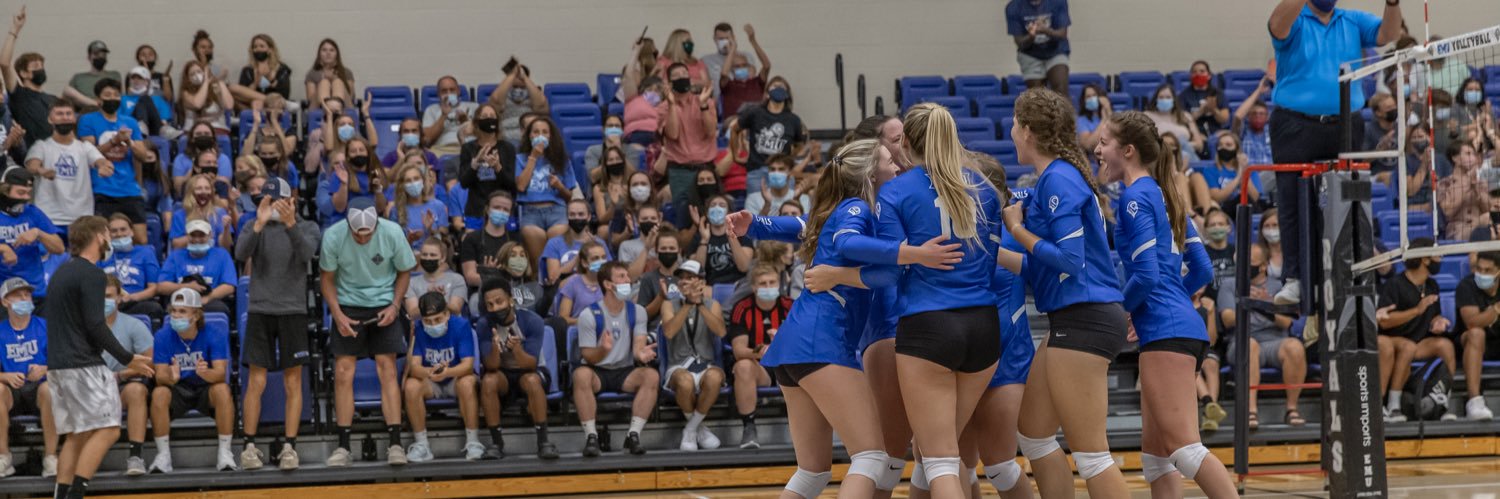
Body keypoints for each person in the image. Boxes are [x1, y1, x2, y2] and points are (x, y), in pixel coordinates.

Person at [1096, 111, 1235, 497]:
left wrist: (1125, 310)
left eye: (1104, 143)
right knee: (1156, 457)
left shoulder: (1136, 197)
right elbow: (1202, 270)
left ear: (1127, 150)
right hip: (1178, 325)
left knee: (1185, 449)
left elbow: (1147, 275)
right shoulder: (1164, 193)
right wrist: (1164, 301)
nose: (1097, 149)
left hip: (1166, 331)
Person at [1002, 89, 1130, 497]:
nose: (1010, 132)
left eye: (1014, 124)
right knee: (1034, 434)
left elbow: (1070, 260)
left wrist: (1018, 230)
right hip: (1074, 316)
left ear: (1027, 130)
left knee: (1092, 455)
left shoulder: (1058, 177)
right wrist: (991, 252)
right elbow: (1043, 266)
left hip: (1085, 318)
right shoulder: (1053, 178)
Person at [1267, 0, 1402, 307]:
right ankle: (1295, 278)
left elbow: (1387, 35)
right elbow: (1276, 25)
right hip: (1294, 123)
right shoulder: (1296, 19)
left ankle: (1348, 272)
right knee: (1291, 201)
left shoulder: (1351, 20)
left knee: (1348, 199)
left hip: (1345, 122)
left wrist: (1393, 3)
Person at [43, 215, 154, 498]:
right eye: (108, 233)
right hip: (83, 365)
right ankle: (77, 493)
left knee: (77, 435)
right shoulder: (92, 274)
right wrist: (127, 357)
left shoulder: (60, 274)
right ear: (99, 236)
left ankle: (62, 495)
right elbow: (95, 325)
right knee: (109, 429)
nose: (110, 240)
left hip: (57, 367)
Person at [319, 197, 416, 467]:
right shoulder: (333, 236)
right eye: (357, 234)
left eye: (368, 234)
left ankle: (395, 443)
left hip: (384, 303)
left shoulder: (393, 232)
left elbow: (405, 272)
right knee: (343, 372)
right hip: (348, 304)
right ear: (348, 225)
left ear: (375, 226)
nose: (362, 239)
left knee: (387, 368)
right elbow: (326, 280)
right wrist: (337, 314)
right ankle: (343, 446)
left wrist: (395, 306)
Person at [234, 179, 316, 470]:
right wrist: (258, 224)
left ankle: (290, 448)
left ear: (290, 199)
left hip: (293, 309)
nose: (272, 205)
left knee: (293, 381)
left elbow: (307, 255)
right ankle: (249, 446)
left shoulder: (307, 226)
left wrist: (291, 224)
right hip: (260, 309)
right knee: (256, 381)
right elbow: (241, 254)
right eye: (266, 200)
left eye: (277, 200)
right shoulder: (253, 224)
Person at [572, 262, 657, 457]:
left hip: (624, 371)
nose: (628, 280)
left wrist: (640, 354)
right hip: (597, 370)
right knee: (580, 376)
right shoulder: (589, 315)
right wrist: (603, 349)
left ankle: (633, 435)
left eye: (628, 276)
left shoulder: (638, 312)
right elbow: (588, 356)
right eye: (622, 277)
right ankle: (591, 437)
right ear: (608, 284)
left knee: (651, 376)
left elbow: (638, 346)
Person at [148, 288, 236, 473]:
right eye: (173, 311)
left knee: (222, 391)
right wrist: (172, 378)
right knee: (159, 393)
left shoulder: (214, 333)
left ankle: (225, 453)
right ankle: (163, 456)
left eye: (182, 311)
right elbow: (160, 376)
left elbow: (220, 374)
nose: (175, 315)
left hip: (205, 387)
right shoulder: (163, 336)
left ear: (196, 315)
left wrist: (206, 374)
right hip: (178, 389)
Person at [475, 277, 557, 460]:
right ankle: (497, 443)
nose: (495, 308)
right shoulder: (484, 325)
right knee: (488, 380)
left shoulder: (532, 320)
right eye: (490, 305)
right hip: (503, 374)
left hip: (530, 371)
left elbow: (531, 364)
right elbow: (491, 366)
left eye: (499, 302)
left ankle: (543, 441)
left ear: (511, 300)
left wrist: (517, 350)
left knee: (531, 380)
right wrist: (496, 348)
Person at [1377, 238, 1456, 423]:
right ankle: (1393, 405)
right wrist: (1416, 311)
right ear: (1425, 259)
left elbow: (1433, 314)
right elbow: (1384, 322)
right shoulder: (1395, 285)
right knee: (1407, 346)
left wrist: (1438, 321)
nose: (1440, 258)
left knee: (1446, 346)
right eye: (1437, 255)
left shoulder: (1431, 285)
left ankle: (1442, 401)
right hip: (1392, 339)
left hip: (1418, 341)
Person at [403, 292, 482, 462]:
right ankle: (422, 445)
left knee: (468, 383)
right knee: (411, 385)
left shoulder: (461, 325)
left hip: (455, 377)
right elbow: (414, 368)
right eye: (428, 321)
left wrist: (447, 372)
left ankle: (473, 442)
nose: (433, 325)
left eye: (438, 319)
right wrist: (429, 373)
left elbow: (468, 366)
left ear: (447, 313)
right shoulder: (417, 328)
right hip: (431, 380)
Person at [660, 260, 727, 451]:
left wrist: (700, 305)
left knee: (714, 377)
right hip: (678, 365)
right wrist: (688, 305)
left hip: (706, 363)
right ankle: (699, 429)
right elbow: (669, 332)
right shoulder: (668, 304)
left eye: (689, 278)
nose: (684, 282)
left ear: (701, 282)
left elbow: (721, 332)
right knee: (685, 381)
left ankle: (690, 429)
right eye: (681, 278)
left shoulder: (712, 304)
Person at [78, 78, 150, 245]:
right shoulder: (88, 120)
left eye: (117, 95)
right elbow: (88, 152)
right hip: (102, 189)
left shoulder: (130, 122)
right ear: (98, 100)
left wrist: (130, 142)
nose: (113, 98)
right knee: (102, 240)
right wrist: (114, 141)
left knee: (140, 238)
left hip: (129, 189)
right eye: (108, 95)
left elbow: (143, 156)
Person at [725, 264, 788, 449]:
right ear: (754, 287)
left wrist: (782, 342)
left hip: (789, 365)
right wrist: (763, 350)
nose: (768, 287)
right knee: (743, 366)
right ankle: (749, 426)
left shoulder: (791, 306)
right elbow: (738, 350)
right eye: (763, 283)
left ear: (779, 284)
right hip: (760, 368)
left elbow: (806, 342)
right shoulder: (742, 308)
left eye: (772, 282)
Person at [25, 101, 114, 229]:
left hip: (81, 218)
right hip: (48, 217)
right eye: (60, 114)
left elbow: (100, 160)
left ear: (74, 118)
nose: (65, 117)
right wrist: (41, 170)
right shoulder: (42, 146)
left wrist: (104, 167)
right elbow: (32, 165)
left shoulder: (85, 147)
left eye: (68, 114)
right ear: (50, 119)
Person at [0, 277, 56, 478]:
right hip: (11, 392)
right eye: (18, 295)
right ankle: (3, 457)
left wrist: (44, 369)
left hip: (39, 390)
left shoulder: (47, 326)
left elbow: (67, 364)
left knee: (49, 389)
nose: (25, 298)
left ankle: (51, 458)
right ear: (5, 301)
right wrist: (4, 376)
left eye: (27, 294)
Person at [100, 276, 152, 476]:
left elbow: (149, 363)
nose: (103, 301)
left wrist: (120, 375)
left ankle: (136, 456)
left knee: (137, 391)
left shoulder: (134, 325)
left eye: (108, 296)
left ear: (120, 297)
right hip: (90, 386)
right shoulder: (82, 327)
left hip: (121, 385)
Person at [661, 63, 720, 228]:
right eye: (677, 76)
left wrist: (702, 104)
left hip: (706, 168)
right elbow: (672, 134)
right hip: (680, 171)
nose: (682, 78)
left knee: (713, 210)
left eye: (684, 74)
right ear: (669, 82)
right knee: (683, 213)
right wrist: (672, 105)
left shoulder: (705, 101)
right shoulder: (663, 107)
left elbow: (710, 131)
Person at [516, 116, 578, 263]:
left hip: (556, 211)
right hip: (530, 213)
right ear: (529, 135)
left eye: (545, 132)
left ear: (551, 136)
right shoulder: (519, 159)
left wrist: (559, 186)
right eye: (536, 132)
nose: (540, 136)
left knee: (555, 260)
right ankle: (538, 283)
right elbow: (521, 186)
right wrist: (533, 157)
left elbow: (569, 196)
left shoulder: (562, 160)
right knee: (538, 263)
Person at [0, 168, 63, 305]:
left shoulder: (33, 213)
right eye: (20, 193)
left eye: (28, 193)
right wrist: (3, 248)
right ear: (5, 191)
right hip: (4, 292)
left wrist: (39, 233)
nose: (25, 198)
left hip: (35, 291)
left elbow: (59, 248)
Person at [735, 77, 806, 194]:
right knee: (756, 207)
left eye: (781, 87)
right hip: (757, 171)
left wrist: (789, 157)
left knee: (785, 208)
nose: (778, 89)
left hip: (783, 172)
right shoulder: (754, 113)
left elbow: (799, 144)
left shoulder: (794, 120)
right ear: (767, 93)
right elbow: (735, 129)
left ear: (787, 94)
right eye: (774, 86)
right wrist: (735, 154)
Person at [457, 103, 519, 231]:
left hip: (502, 208)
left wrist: (498, 167)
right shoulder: (468, 148)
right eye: (484, 116)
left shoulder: (507, 148)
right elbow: (464, 182)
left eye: (492, 116)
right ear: (476, 122)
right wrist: (476, 163)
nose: (489, 119)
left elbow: (512, 185)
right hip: (476, 208)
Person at [1, 7, 57, 147]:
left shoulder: (53, 99)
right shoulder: (19, 94)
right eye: (36, 65)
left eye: (42, 65)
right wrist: (15, 30)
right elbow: (4, 63)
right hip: (30, 155)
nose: (40, 69)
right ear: (23, 73)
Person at [156, 220, 237, 314]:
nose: (197, 239)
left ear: (210, 235)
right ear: (187, 235)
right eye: (193, 235)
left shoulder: (222, 255)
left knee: (219, 309)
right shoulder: (176, 256)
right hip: (181, 301)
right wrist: (186, 286)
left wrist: (208, 297)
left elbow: (229, 286)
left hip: (211, 301)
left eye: (201, 235)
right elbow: (161, 287)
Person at [1455, 251, 1500, 421]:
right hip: (1468, 344)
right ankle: (1474, 401)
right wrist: (1495, 310)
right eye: (1479, 269)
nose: (1481, 274)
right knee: (1476, 334)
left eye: (1487, 270)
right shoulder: (1466, 286)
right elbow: (1472, 323)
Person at [99, 214, 161, 322]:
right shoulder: (102, 255)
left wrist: (132, 297)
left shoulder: (145, 253)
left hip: (135, 302)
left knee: (155, 308)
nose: (119, 234)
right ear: (108, 234)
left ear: (132, 231)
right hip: (108, 303)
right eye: (114, 231)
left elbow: (153, 288)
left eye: (123, 229)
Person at [1005, 0, 1071, 93]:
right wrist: (1031, 36)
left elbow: (1062, 34)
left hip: (1056, 50)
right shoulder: (1013, 7)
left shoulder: (1058, 2)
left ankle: (1064, 107)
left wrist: (1046, 30)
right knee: (1037, 96)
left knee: (1061, 88)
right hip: (1029, 53)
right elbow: (1020, 43)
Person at [459, 191, 522, 287]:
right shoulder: (471, 238)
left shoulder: (515, 239)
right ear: (487, 209)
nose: (501, 211)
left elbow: (520, 272)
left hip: (511, 290)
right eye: (496, 207)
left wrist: (490, 274)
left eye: (506, 209)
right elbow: (470, 278)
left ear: (510, 214)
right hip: (481, 291)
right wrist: (495, 274)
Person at [542, 199, 610, 288]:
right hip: (565, 289)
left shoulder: (599, 243)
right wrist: (581, 253)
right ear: (567, 217)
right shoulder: (554, 243)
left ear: (589, 217)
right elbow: (553, 277)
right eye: (572, 214)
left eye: (581, 214)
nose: (576, 218)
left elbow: (608, 272)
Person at [688, 194, 752, 286]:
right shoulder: (699, 237)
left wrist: (731, 234)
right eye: (713, 205)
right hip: (710, 287)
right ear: (707, 212)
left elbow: (744, 267)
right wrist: (704, 240)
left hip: (738, 285)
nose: (717, 208)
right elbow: (696, 272)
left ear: (729, 213)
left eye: (722, 205)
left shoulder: (742, 235)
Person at [1190, 132, 1261, 215]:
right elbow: (1217, 197)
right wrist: (1238, 177)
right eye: (1220, 145)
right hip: (1224, 210)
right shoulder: (1210, 170)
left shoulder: (1249, 170)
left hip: (1248, 209)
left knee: (1245, 200)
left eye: (1228, 145)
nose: (1223, 147)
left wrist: (1244, 171)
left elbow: (1255, 197)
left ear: (1237, 149)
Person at [1437, 142, 1491, 240]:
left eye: (1474, 154)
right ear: (1455, 158)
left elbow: (1487, 209)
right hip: (1457, 231)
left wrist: (1476, 189)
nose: (1472, 158)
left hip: (1479, 226)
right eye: (1468, 154)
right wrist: (1466, 185)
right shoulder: (1444, 184)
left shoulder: (1479, 182)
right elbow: (1448, 213)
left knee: (1488, 220)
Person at [389, 161, 448, 249]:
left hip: (432, 257)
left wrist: (431, 229)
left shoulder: (438, 206)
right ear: (402, 185)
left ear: (423, 181)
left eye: (416, 179)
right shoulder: (396, 210)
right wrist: (410, 240)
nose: (413, 183)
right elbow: (394, 245)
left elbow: (444, 240)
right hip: (408, 258)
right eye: (408, 181)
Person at [487, 61, 550, 145]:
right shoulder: (502, 95)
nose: (518, 90)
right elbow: (496, 101)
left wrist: (524, 77)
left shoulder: (533, 96)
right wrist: (512, 75)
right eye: (515, 87)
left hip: (530, 138)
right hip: (506, 138)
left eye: (522, 87)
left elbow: (541, 105)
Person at [632, 227, 684, 328]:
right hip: (656, 330)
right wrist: (660, 297)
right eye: (663, 248)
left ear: (679, 251)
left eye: (672, 248)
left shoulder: (687, 277)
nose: (668, 251)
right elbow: (642, 315)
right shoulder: (648, 278)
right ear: (656, 251)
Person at [715, 24, 772, 115]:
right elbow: (724, 74)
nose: (741, 68)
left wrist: (753, 41)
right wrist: (733, 49)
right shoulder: (728, 85)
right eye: (737, 66)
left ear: (749, 67)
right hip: (734, 125)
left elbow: (767, 65)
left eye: (744, 65)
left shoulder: (757, 82)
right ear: (732, 69)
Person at [405, 239, 467, 317]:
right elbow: (412, 312)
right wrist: (430, 299)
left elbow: (456, 309)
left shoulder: (457, 279)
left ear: (443, 258)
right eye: (424, 254)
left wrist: (439, 299)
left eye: (433, 255)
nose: (428, 258)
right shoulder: (411, 283)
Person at [229, 34, 292, 109]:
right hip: (251, 104)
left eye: (262, 46)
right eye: (255, 47)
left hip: (276, 105)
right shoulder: (247, 70)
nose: (258, 49)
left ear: (270, 49)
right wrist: (256, 82)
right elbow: (242, 95)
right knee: (232, 87)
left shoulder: (281, 69)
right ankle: (270, 101)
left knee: (257, 103)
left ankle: (271, 103)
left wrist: (270, 80)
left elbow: (285, 94)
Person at [422, 76, 479, 156]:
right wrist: (444, 115)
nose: (448, 94)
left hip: (468, 147)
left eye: (452, 90)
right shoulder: (431, 110)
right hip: (441, 149)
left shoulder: (474, 107)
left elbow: (484, 133)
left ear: (458, 91)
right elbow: (427, 139)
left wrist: (465, 122)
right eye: (444, 91)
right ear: (438, 94)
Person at [1146, 84, 1207, 158]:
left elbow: (1199, 145)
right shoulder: (1147, 116)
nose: (1164, 100)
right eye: (1161, 97)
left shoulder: (1185, 116)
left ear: (1174, 99)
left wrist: (1179, 145)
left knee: (1183, 147)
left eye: (1168, 97)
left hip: (1185, 154)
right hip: (1160, 155)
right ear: (1156, 99)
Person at [177, 61, 233, 135]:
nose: (196, 75)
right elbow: (197, 104)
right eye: (192, 74)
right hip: (193, 130)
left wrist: (219, 81)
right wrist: (206, 81)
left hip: (217, 128)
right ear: (188, 78)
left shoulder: (215, 87)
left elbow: (229, 106)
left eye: (199, 71)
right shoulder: (186, 93)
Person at [744, 154, 810, 216]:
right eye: (772, 169)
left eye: (781, 169)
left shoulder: (802, 198)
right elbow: (753, 227)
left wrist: (796, 200)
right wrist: (767, 205)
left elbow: (806, 225)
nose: (776, 173)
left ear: (790, 173)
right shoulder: (753, 199)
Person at [1231, 77, 1275, 167]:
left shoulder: (1272, 131)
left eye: (1261, 114)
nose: (1258, 116)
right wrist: (1259, 90)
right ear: (1248, 116)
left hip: (1271, 175)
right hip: (1249, 175)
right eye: (1254, 113)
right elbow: (1238, 116)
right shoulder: (1243, 132)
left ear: (1267, 117)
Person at [64, 41, 120, 112]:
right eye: (96, 54)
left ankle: (98, 106)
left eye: (103, 54)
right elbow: (69, 98)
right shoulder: (78, 77)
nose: (100, 56)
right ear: (89, 57)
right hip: (84, 112)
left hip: (109, 110)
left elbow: (118, 96)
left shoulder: (114, 75)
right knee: (67, 90)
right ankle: (97, 105)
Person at [1180, 61, 1231, 136]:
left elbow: (1224, 120)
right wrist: (1201, 111)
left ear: (1209, 75)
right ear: (1191, 76)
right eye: (1194, 72)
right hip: (1193, 133)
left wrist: (1213, 110)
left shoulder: (1217, 93)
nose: (1198, 74)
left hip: (1215, 132)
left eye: (1202, 71)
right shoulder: (1184, 95)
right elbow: (1182, 121)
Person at [498, 241, 546, 316]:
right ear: (503, 260)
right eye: (513, 255)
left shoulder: (535, 287)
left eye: (522, 255)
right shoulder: (496, 285)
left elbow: (542, 315)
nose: (519, 259)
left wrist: (548, 297)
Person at [306, 38, 354, 110]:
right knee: (324, 82)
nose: (328, 53)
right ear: (319, 54)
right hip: (319, 108)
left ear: (337, 54)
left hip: (344, 108)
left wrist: (334, 79)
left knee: (337, 82)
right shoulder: (312, 73)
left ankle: (335, 108)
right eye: (324, 50)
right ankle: (329, 110)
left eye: (332, 50)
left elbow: (351, 96)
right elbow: (310, 98)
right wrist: (324, 79)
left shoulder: (346, 72)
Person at [1076, 84, 1111, 153]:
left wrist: (1108, 110)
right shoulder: (1081, 120)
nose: (1092, 99)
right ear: (1084, 101)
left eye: (1094, 95)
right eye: (1088, 97)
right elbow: (1088, 145)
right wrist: (1103, 120)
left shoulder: (1113, 115)